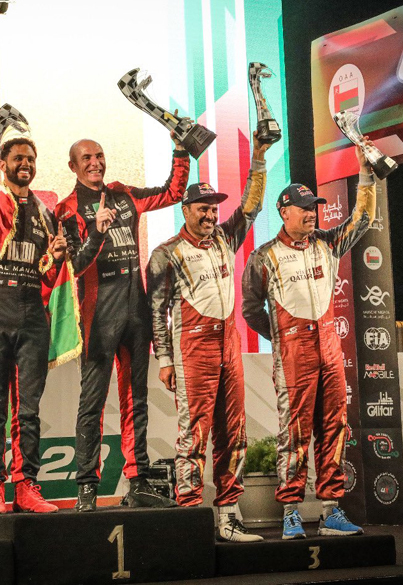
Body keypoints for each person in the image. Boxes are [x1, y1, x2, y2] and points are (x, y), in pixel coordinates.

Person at [241, 143, 376, 540]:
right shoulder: (264, 256)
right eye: (304, 208)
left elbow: (363, 219)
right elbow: (250, 309)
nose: (312, 212)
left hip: (330, 352)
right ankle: (290, 513)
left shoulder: (327, 243)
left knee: (334, 428)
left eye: (314, 207)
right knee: (294, 434)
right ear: (284, 212)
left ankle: (332, 510)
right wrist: (281, 339)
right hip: (294, 355)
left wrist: (366, 174)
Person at [146, 132, 271, 541]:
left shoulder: (224, 238)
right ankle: (188, 517)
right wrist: (164, 360)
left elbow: (251, 207)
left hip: (228, 343)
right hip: (192, 346)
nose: (210, 215)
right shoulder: (167, 253)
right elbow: (156, 311)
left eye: (214, 208)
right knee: (193, 431)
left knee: (234, 431)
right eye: (203, 208)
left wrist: (260, 156)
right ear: (186, 210)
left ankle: (229, 517)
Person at [56, 134, 189, 511]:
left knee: (136, 400)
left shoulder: (123, 194)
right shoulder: (67, 209)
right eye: (86, 158)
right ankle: (86, 486)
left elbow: (173, 192)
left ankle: (138, 480)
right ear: (73, 166)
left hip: (136, 312)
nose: (95, 163)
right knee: (92, 403)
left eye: (99, 155)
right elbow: (73, 268)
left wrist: (180, 149)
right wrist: (96, 232)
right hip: (97, 318)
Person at [0, 136, 76, 513]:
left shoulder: (46, 212)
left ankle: (27, 485)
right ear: (4, 164)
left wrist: (55, 258)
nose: (25, 164)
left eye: (30, 158)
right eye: (18, 158)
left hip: (31, 318)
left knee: (28, 410)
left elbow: (44, 275)